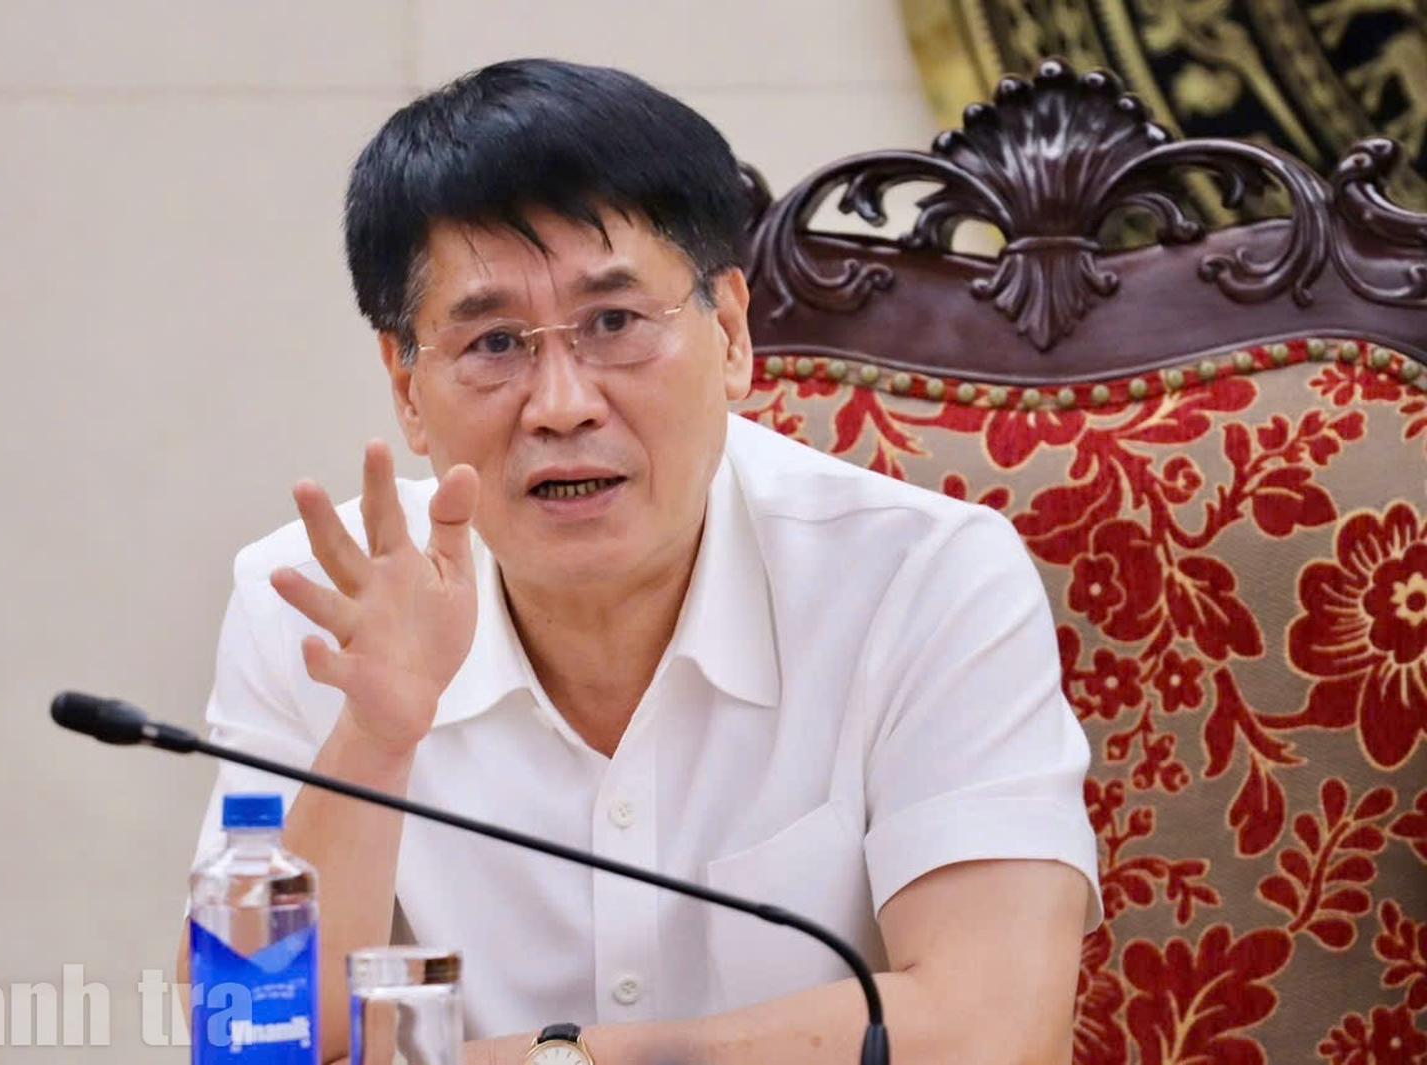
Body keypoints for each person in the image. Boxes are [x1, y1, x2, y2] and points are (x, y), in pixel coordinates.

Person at [180, 58, 1101, 1065]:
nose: (561, 405)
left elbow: (995, 1034)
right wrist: (373, 739)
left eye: (614, 323)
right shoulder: (318, 611)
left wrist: (566, 1061)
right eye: (494, 344)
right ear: (407, 388)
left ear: (732, 335)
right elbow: (251, 1040)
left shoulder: (922, 581)